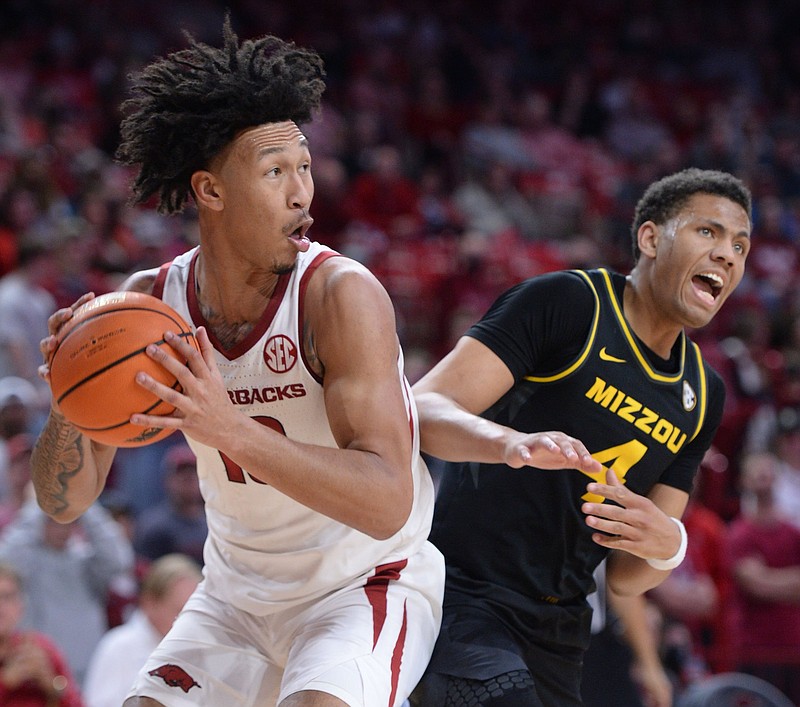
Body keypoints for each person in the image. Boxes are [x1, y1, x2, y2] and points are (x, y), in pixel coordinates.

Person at [31, 18, 443, 707]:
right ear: (212, 192)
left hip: (364, 581)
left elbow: (386, 499)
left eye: (305, 167)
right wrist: (69, 397)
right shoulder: (148, 307)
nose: (302, 192)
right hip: (232, 596)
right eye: (276, 171)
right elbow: (60, 500)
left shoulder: (339, 295)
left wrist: (231, 429)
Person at [409, 167, 752, 706]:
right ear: (650, 237)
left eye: (740, 245)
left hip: (563, 625)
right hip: (461, 593)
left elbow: (626, 575)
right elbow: (423, 408)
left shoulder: (703, 393)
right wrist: (506, 442)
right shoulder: (571, 303)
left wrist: (670, 546)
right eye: (708, 232)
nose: (728, 254)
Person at [0, 500, 134, 687]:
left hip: (88, 666)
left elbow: (120, 560)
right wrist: (42, 502)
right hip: (40, 665)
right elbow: (5, 562)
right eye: (52, 521)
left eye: (69, 521)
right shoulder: (26, 564)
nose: (61, 529)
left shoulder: (86, 562)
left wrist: (84, 502)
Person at [725, 450, 800, 704]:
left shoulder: (792, 532)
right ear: (743, 481)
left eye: (768, 473)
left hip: (793, 649)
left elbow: (762, 582)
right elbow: (755, 585)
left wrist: (767, 577)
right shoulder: (739, 534)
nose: (764, 480)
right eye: (757, 473)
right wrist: (790, 581)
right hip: (755, 650)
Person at [83, 554, 202, 707]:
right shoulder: (118, 647)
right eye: (179, 611)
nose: (188, 622)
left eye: (194, 612)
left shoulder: (203, 649)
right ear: (150, 603)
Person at [0, 561, 84, 706]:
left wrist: (51, 684)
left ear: (21, 606)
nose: (1, 607)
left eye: (7, 597)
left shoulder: (41, 648)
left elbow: (77, 703)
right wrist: (6, 682)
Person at [132, 444, 207, 567]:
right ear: (168, 481)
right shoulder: (154, 527)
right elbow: (149, 578)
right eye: (183, 476)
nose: (190, 480)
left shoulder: (215, 522)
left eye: (195, 474)